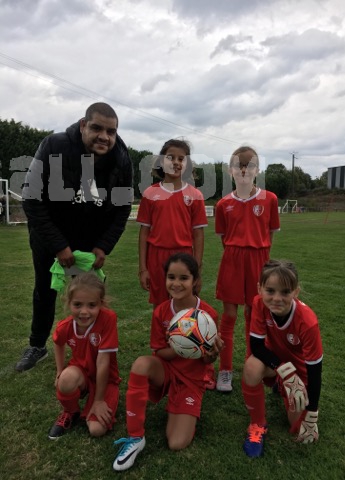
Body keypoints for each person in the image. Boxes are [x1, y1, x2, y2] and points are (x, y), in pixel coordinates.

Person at [16, 102, 132, 372]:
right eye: (97, 128)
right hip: (49, 233)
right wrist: (58, 245)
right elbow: (31, 200)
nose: (104, 136)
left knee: (91, 294)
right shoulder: (54, 146)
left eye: (111, 131)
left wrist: (104, 246)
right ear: (83, 125)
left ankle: (94, 344)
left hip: (90, 239)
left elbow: (123, 207)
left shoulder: (122, 157)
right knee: (44, 289)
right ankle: (37, 345)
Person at [112, 253, 224, 472]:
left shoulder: (207, 315)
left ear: (195, 281)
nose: (177, 283)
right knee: (141, 365)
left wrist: (210, 354)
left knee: (176, 443)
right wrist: (181, 343)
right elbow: (159, 352)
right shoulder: (161, 311)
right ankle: (135, 437)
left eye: (184, 278)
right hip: (166, 370)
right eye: (171, 277)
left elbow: (207, 358)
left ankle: (186, 400)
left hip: (191, 378)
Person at [136, 139, 215, 390]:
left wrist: (197, 269)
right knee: (162, 311)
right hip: (158, 259)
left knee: (191, 312)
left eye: (182, 158)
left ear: (187, 163)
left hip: (184, 259)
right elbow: (144, 233)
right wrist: (143, 267)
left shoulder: (195, 195)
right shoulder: (151, 193)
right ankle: (167, 361)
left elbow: (199, 234)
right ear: (162, 161)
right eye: (171, 157)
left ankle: (204, 368)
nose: (176, 162)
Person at [215, 146, 280, 392]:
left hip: (259, 260)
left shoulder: (270, 199)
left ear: (257, 170)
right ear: (231, 170)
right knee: (229, 316)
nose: (244, 170)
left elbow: (270, 235)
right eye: (239, 166)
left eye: (250, 165)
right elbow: (224, 238)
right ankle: (225, 371)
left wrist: (259, 257)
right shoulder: (223, 204)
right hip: (232, 260)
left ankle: (252, 366)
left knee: (254, 317)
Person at [241, 259, 323, 457]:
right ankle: (257, 425)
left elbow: (315, 371)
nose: (277, 298)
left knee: (296, 422)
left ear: (296, 292)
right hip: (275, 362)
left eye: (285, 292)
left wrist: (311, 415)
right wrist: (286, 372)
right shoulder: (258, 303)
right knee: (251, 367)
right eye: (270, 291)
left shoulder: (307, 321)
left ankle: (282, 385)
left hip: (300, 369)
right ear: (260, 289)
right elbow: (257, 347)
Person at [48, 272, 120, 439]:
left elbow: (103, 362)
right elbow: (58, 343)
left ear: (101, 304)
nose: (84, 312)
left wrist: (99, 400)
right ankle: (71, 412)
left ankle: (99, 398)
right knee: (65, 380)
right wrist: (59, 371)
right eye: (78, 305)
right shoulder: (66, 326)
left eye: (92, 305)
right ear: (69, 303)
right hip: (82, 373)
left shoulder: (108, 319)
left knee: (96, 430)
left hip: (106, 378)